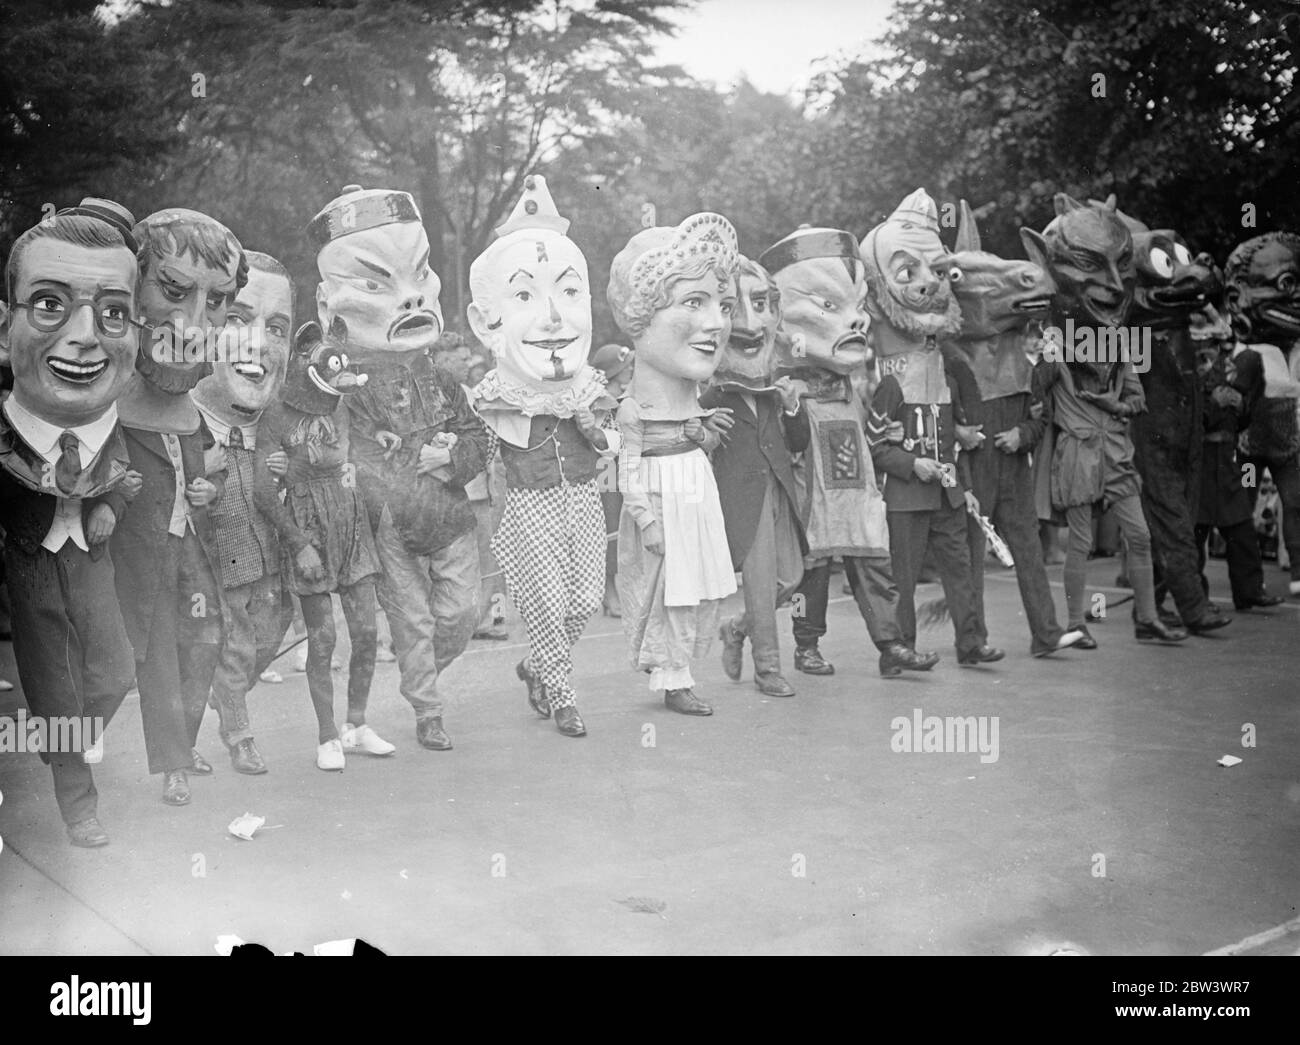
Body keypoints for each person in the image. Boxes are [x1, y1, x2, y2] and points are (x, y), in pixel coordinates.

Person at [309, 185, 490, 752]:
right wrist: (421, 457)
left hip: (450, 517)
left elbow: (476, 437)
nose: (410, 301)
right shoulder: (350, 391)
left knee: (461, 614)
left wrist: (451, 460)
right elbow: (358, 455)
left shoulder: (443, 380)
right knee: (413, 623)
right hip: (392, 526)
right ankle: (427, 710)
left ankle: (422, 678)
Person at [0, 198, 140, 846]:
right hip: (31, 561)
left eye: (112, 313)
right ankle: (78, 804)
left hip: (89, 558)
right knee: (53, 688)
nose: (85, 336)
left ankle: (66, 745)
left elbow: (125, 478)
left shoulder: (110, 429)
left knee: (114, 671)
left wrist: (110, 506)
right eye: (51, 305)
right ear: (6, 329)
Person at [468, 174, 621, 736]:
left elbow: (613, 442)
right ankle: (562, 698)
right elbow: (475, 449)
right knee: (548, 606)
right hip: (530, 510)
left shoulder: (591, 384)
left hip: (583, 501)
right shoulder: (494, 395)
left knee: (583, 601)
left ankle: (535, 666)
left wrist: (593, 426)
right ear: (487, 319)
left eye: (568, 291)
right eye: (527, 295)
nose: (553, 316)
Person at [762, 225, 939, 679]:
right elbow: (792, 444)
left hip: (856, 489)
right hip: (812, 493)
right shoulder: (783, 384)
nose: (858, 320)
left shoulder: (849, 382)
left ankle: (891, 645)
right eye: (829, 304)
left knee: (875, 560)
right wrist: (792, 409)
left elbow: (867, 430)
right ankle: (806, 646)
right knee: (813, 571)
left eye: (858, 306)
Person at [112, 208, 240, 805]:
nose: (193, 323)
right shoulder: (105, 403)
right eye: (172, 290)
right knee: (150, 657)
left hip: (185, 546)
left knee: (205, 639)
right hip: (136, 553)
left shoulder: (192, 413)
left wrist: (205, 492)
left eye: (216, 302)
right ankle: (169, 765)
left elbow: (199, 467)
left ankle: (182, 746)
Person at [1022, 194, 1185, 645]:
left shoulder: (1118, 342)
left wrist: (1118, 407)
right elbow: (1034, 395)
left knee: (1140, 536)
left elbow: (1135, 399)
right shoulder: (1055, 343)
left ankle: (1147, 618)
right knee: (1081, 543)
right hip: (1076, 452)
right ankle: (1075, 622)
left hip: (1115, 450)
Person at [608, 212, 740, 716]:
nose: (717, 323)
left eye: (723, 305)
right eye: (693, 302)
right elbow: (628, 468)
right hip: (662, 493)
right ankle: (673, 678)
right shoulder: (632, 408)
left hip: (694, 484)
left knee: (700, 586)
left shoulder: (694, 399)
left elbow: (691, 435)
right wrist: (645, 520)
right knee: (670, 590)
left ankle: (683, 669)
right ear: (641, 316)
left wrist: (701, 434)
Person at [941, 199, 1085, 657]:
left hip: (1008, 458)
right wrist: (961, 435)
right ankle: (971, 641)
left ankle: (1046, 632)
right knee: (970, 550)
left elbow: (1037, 416)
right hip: (976, 455)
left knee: (1026, 545)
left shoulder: (1021, 358)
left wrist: (1021, 435)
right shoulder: (948, 358)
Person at [861, 189, 995, 666]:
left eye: (937, 273)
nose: (930, 285)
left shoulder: (937, 362)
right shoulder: (889, 381)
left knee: (960, 566)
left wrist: (959, 435)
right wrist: (911, 463)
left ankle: (971, 642)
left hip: (947, 486)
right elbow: (877, 446)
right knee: (904, 573)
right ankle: (900, 651)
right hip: (908, 490)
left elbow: (941, 417)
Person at [261, 322, 394, 770]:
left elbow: (357, 443)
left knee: (367, 634)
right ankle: (327, 737)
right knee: (322, 640)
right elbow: (263, 491)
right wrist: (298, 543)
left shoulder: (343, 405)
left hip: (349, 524)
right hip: (306, 528)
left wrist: (379, 438)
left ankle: (356, 725)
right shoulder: (276, 415)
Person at [190, 251, 297, 774]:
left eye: (276, 328)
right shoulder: (181, 418)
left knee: (271, 634)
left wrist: (290, 470)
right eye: (237, 319)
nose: (258, 343)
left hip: (269, 559)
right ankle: (239, 735)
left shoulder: (277, 420)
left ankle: (226, 696)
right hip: (214, 563)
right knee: (232, 649)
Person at [702, 255, 809, 696]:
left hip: (780, 489)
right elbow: (697, 449)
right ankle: (768, 671)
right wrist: (703, 428)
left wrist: (791, 407)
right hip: (742, 498)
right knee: (763, 585)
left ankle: (737, 629)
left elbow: (798, 442)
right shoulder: (709, 390)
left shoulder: (772, 383)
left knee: (793, 579)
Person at [1226, 231, 1300, 601]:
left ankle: (1298, 576)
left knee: (1296, 503)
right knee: (1244, 509)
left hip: (1287, 443)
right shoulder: (1247, 352)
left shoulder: (1294, 349)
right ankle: (1247, 582)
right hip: (1251, 444)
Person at [433, 330, 509, 641]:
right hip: (442, 489)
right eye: (462, 359)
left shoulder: (470, 392)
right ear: (442, 358)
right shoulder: (427, 392)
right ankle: (446, 622)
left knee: (492, 555)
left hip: (479, 488)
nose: (468, 364)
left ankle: (496, 619)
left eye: (469, 359)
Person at [591, 342, 635, 618]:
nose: (631, 368)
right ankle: (609, 591)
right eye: (626, 365)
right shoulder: (598, 401)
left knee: (628, 521)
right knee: (610, 524)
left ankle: (623, 588)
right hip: (606, 466)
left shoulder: (630, 395)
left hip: (627, 464)